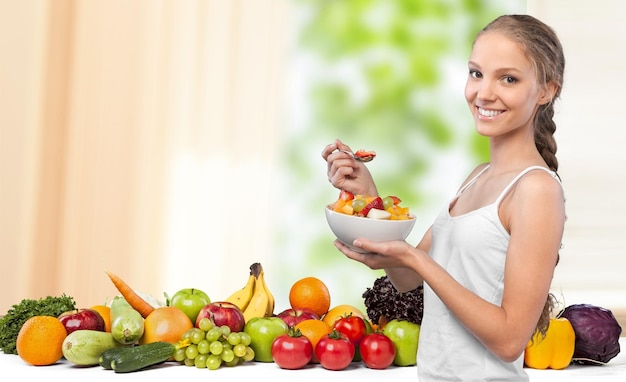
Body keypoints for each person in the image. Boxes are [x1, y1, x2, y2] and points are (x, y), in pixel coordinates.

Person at [321, 14, 566, 381]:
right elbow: (407, 278)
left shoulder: (536, 190)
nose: (483, 93)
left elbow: (510, 340)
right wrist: (369, 199)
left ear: (546, 91)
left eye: (509, 79)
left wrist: (418, 263)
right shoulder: (477, 178)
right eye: (476, 73)